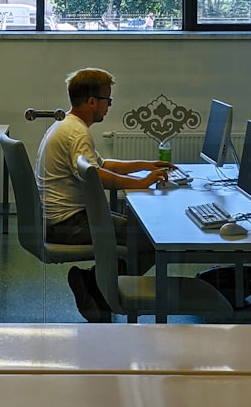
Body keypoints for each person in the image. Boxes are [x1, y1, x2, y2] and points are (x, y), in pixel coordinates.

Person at [36, 67, 172, 322]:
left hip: (67, 218)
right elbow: (94, 176)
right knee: (151, 242)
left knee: (141, 235)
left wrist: (144, 166)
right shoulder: (77, 133)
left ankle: (92, 283)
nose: (109, 106)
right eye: (107, 100)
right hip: (67, 224)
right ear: (91, 102)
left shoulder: (67, 125)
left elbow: (102, 165)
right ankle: (99, 290)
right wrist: (140, 184)